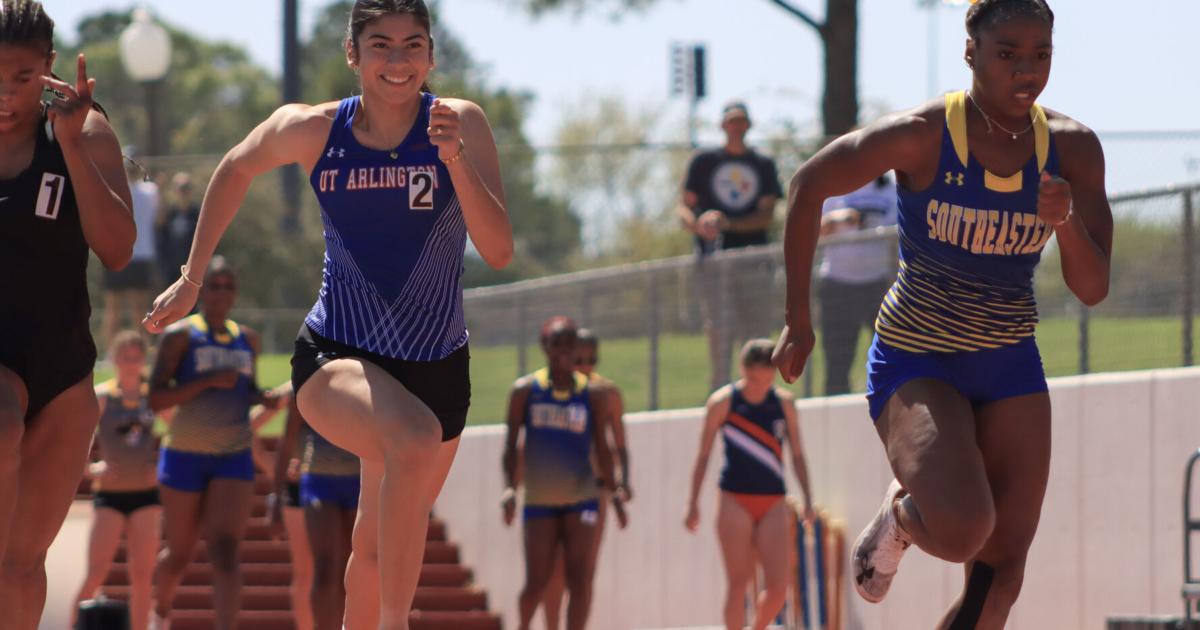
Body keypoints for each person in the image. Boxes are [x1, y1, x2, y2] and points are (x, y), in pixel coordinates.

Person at [142, 1, 513, 627]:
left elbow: (499, 251)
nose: (398, 62)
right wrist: (190, 278)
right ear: (352, 54)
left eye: (412, 45)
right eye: (380, 46)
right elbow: (235, 167)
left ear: (431, 54)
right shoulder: (314, 129)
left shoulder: (461, 124)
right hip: (339, 354)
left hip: (439, 368)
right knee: (413, 441)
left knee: (374, 544)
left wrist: (454, 160)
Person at [771, 1, 1113, 627]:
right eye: (1007, 54)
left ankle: (915, 522)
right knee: (961, 530)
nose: (1026, 71)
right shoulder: (925, 133)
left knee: (1000, 573)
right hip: (919, 360)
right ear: (971, 53)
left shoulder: (1072, 149)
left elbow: (1092, 288)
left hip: (1009, 363)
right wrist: (798, 317)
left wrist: (1064, 223)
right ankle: (903, 517)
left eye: (1041, 55)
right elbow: (809, 185)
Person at [0, 2, 136, 625]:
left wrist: (75, 146)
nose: (5, 94)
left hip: (61, 365)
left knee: (22, 565)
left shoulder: (83, 129)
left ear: (50, 68)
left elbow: (117, 249)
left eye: (22, 78)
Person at [147, 258, 283, 630]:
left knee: (225, 551)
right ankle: (160, 610)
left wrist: (263, 398)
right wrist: (204, 383)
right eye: (215, 285)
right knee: (180, 552)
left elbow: (245, 390)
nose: (221, 293)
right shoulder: (181, 336)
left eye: (228, 286)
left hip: (232, 455)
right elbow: (155, 399)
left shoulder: (248, 339)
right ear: (201, 290)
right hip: (185, 454)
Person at [502, 317, 626, 630]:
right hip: (540, 499)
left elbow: (602, 446)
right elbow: (511, 445)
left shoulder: (593, 395)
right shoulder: (526, 391)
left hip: (582, 498)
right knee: (536, 581)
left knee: (580, 579)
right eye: (556, 344)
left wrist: (615, 493)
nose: (564, 352)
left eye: (569, 345)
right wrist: (509, 489)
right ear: (545, 347)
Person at [685, 339, 813, 630]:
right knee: (738, 583)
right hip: (734, 498)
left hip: (773, 501)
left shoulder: (783, 404)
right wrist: (692, 503)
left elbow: (798, 455)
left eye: (767, 380)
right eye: (754, 380)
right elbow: (703, 455)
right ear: (742, 370)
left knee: (780, 588)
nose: (760, 387)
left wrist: (807, 497)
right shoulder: (723, 402)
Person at [677, 102, 783, 391]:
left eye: (741, 122)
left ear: (748, 126)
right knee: (719, 332)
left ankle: (759, 391)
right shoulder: (703, 161)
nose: (736, 127)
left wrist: (728, 224)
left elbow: (766, 215)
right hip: (714, 262)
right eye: (730, 122)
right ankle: (721, 393)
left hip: (754, 260)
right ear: (722, 126)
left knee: (756, 331)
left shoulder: (762, 164)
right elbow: (684, 208)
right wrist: (700, 225)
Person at [539, 328, 631, 630]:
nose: (586, 366)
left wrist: (621, 486)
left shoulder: (606, 393)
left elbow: (619, 443)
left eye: (592, 359)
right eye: (580, 359)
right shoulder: (547, 388)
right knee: (553, 570)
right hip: (552, 487)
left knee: (583, 571)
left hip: (593, 489)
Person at [72, 332, 163, 630]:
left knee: (143, 578)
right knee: (96, 574)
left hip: (146, 496)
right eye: (125, 358)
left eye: (136, 358)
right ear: (114, 360)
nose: (131, 364)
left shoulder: (154, 397)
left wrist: (162, 466)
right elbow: (74, 439)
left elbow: (181, 431)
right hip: (109, 497)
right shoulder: (102, 397)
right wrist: (90, 468)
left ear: (144, 361)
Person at [269, 389, 361, 630]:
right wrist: (276, 498)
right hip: (319, 479)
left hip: (359, 478)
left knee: (350, 568)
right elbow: (286, 442)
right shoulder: (309, 377)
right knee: (324, 567)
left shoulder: (367, 373)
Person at [817, 174, 899, 395]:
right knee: (837, 362)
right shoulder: (834, 184)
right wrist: (840, 219)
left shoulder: (892, 188)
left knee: (890, 358)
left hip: (881, 285)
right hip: (837, 285)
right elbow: (814, 230)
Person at [102, 156, 159, 348]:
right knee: (123, 309)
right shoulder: (146, 190)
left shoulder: (144, 191)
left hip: (131, 253)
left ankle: (132, 351)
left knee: (129, 309)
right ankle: (121, 352)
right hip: (129, 253)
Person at [155, 171, 200, 291]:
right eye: (181, 188)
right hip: (171, 271)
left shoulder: (198, 214)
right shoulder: (169, 214)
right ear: (174, 190)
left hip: (193, 272)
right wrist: (161, 191)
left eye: (186, 188)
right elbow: (159, 226)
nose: (184, 192)